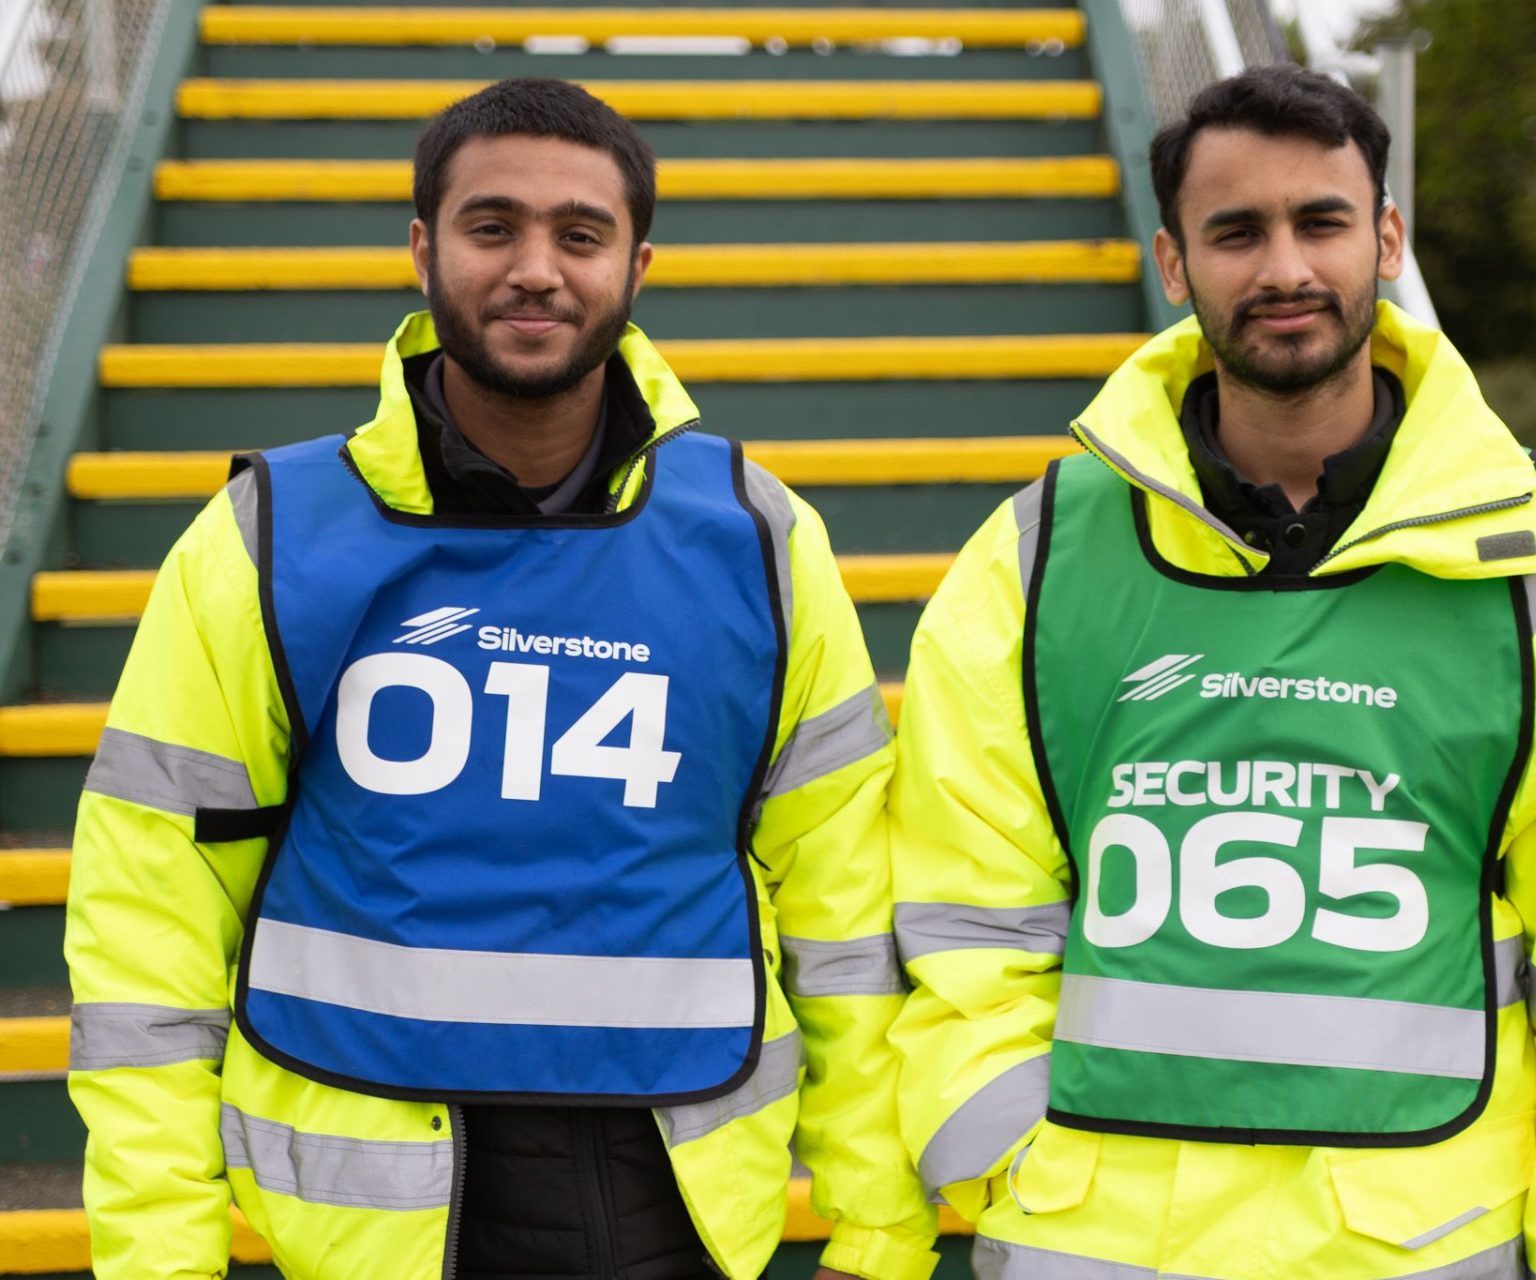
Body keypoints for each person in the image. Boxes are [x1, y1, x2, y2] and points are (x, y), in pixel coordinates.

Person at [65, 77, 936, 1280]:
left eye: (581, 235)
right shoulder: (268, 535)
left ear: (639, 265)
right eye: (493, 227)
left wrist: (880, 1227)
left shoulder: (759, 538)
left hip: (673, 1210)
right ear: (423, 249)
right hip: (371, 1221)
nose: (537, 268)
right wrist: (159, 1255)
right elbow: (150, 917)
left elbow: (847, 910)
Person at [888, 63, 1536, 1280]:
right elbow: (968, 910)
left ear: (1387, 239)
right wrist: (1013, 1163)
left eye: (1322, 222)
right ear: (1174, 264)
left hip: (1430, 1246)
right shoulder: (1038, 555)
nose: (1284, 267)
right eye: (1236, 231)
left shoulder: (1521, 559)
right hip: (1096, 1240)